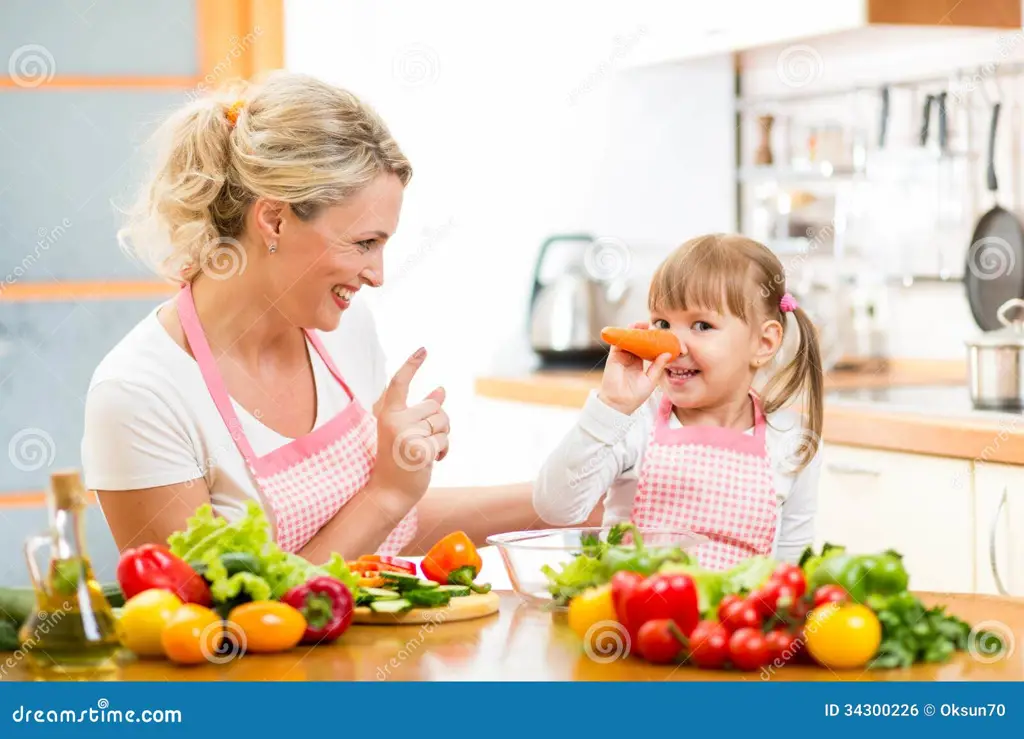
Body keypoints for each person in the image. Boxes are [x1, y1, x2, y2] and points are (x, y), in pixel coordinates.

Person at [82, 71, 547, 563]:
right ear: (274, 219)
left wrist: (569, 497)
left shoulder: (346, 331)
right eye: (364, 243)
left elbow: (376, 536)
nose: (377, 274)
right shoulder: (139, 395)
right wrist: (386, 493)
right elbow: (214, 629)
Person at [533, 234, 824, 568]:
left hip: (733, 620)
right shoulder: (633, 421)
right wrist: (611, 407)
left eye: (702, 325)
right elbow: (554, 508)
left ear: (763, 342)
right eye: (662, 323)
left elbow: (791, 566)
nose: (673, 345)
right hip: (633, 619)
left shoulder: (793, 440)